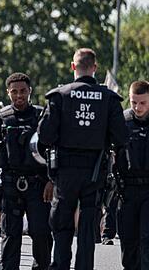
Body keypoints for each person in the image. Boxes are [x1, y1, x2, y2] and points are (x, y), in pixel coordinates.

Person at [38, 48, 128, 270]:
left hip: (65, 171)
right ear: (95, 68)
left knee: (61, 225)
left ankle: (60, 265)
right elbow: (122, 137)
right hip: (95, 171)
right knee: (88, 227)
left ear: (73, 67)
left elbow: (45, 136)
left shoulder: (59, 96)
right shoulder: (108, 98)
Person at [0, 73, 53, 270]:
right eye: (14, 91)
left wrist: (52, 180)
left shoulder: (43, 116)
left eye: (23, 91)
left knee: (41, 233)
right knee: (10, 235)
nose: (19, 95)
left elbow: (53, 151)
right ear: (8, 93)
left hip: (39, 185)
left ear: (30, 91)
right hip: (9, 186)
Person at [115, 80, 149, 270]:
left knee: (146, 238)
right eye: (134, 102)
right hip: (126, 189)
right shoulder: (122, 121)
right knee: (128, 240)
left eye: (142, 103)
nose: (137, 107)